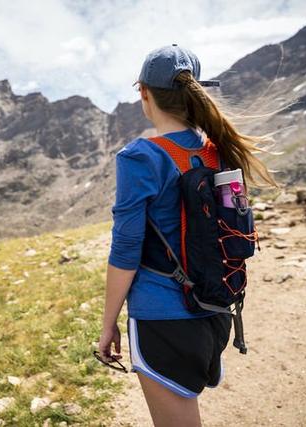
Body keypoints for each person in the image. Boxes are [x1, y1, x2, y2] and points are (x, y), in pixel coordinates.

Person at [98, 44, 278, 427]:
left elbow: (126, 248)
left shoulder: (140, 157)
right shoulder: (219, 151)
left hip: (163, 319)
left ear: (143, 92)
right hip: (215, 311)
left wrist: (108, 323)